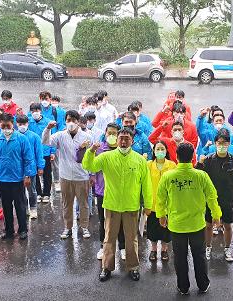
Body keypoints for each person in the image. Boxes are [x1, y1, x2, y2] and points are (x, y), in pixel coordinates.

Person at [82, 127, 153, 282]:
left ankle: (133, 267)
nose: (123, 141)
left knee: (131, 238)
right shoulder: (107, 156)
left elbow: (146, 185)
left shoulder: (140, 160)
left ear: (132, 141)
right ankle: (106, 268)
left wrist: (148, 205)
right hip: (112, 205)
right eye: (121, 137)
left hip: (131, 206)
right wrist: (91, 151)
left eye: (127, 138)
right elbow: (89, 166)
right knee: (109, 238)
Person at [157, 143, 220, 295]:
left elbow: (160, 199)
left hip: (177, 225)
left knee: (179, 257)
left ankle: (183, 286)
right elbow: (212, 196)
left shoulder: (168, 176)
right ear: (193, 157)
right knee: (199, 255)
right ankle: (203, 284)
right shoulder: (201, 175)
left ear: (176, 157)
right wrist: (216, 214)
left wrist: (161, 215)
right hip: (197, 225)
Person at [76, 123, 126, 260]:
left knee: (121, 221)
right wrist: (87, 150)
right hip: (102, 191)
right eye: (109, 133)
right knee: (104, 221)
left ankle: (122, 247)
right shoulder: (99, 148)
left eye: (114, 133)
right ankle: (103, 247)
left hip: (119, 192)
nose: (111, 136)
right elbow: (84, 161)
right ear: (105, 133)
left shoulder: (124, 150)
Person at [42, 111, 92, 240]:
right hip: (65, 176)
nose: (71, 123)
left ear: (78, 122)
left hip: (82, 176)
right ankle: (68, 227)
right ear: (65, 121)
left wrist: (91, 174)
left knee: (83, 204)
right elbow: (46, 142)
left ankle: (84, 227)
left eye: (74, 120)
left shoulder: (87, 136)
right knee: (66, 204)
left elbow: (92, 156)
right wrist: (48, 129)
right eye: (68, 120)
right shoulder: (60, 136)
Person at [197, 131, 233, 262]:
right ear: (215, 144)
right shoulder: (209, 159)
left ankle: (227, 248)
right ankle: (208, 247)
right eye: (219, 143)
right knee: (208, 225)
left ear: (229, 144)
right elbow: (200, 176)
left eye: (224, 143)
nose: (221, 145)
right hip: (211, 199)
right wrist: (200, 163)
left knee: (227, 225)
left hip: (227, 198)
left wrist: (231, 190)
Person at [145, 140, 176, 262]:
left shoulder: (172, 165)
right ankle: (153, 250)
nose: (160, 151)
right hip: (152, 204)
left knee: (166, 230)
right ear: (153, 151)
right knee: (152, 229)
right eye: (157, 149)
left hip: (168, 205)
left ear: (166, 150)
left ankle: (164, 250)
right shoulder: (148, 165)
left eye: (162, 149)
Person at [16, 114, 44, 219]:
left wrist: (40, 167)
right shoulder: (15, 136)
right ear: (17, 124)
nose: (22, 126)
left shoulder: (34, 136)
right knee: (20, 191)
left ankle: (33, 208)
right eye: (20, 124)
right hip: (18, 170)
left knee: (32, 190)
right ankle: (25, 208)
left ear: (28, 124)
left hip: (31, 168)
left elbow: (39, 153)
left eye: (24, 124)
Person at [28, 103, 55, 203]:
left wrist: (53, 151)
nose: (35, 113)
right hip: (32, 152)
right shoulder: (28, 121)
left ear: (40, 111)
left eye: (37, 110)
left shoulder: (47, 122)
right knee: (34, 173)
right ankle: (38, 193)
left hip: (45, 151)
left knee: (47, 173)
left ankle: (47, 193)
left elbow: (52, 137)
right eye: (33, 111)